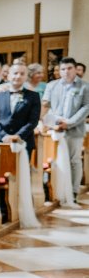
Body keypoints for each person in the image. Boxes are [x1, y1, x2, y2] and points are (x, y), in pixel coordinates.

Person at [42, 57, 89, 193]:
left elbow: (86, 107)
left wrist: (69, 123)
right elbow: (45, 105)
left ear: (75, 69)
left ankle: (73, 191)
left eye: (69, 68)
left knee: (74, 160)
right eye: (63, 69)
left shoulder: (85, 86)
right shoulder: (52, 85)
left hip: (75, 129)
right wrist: (51, 122)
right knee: (54, 160)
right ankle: (56, 190)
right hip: (55, 129)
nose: (66, 72)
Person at [0, 63, 41, 155]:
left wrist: (18, 136)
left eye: (22, 74)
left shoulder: (33, 96)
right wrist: (3, 136)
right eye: (15, 73)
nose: (18, 76)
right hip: (2, 142)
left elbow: (33, 120)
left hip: (24, 141)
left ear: (26, 77)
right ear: (9, 75)